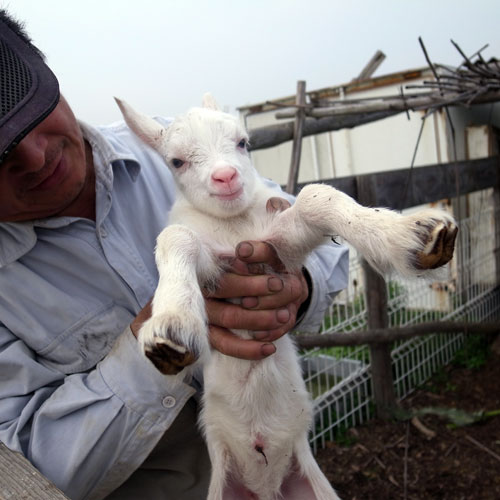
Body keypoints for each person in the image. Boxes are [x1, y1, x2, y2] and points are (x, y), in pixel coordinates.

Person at [0, 10, 348, 500]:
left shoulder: (177, 147)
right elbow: (22, 469)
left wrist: (296, 287)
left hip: (288, 471)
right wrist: (163, 343)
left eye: (32, 114)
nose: (34, 156)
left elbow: (327, 254)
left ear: (48, 75)